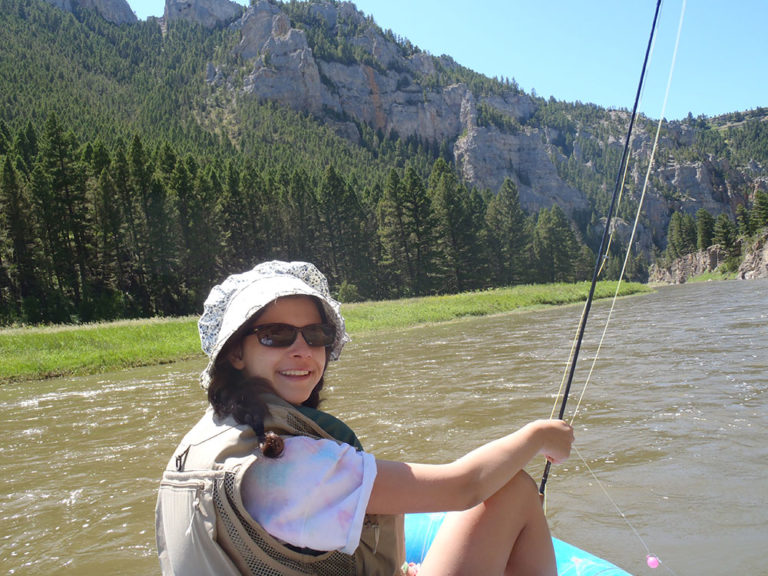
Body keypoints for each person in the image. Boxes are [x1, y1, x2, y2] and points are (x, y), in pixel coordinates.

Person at [155, 260, 574, 576]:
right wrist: (537, 436)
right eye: (276, 335)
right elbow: (465, 487)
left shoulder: (206, 438)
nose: (302, 349)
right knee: (513, 490)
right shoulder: (284, 469)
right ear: (235, 352)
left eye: (316, 336)